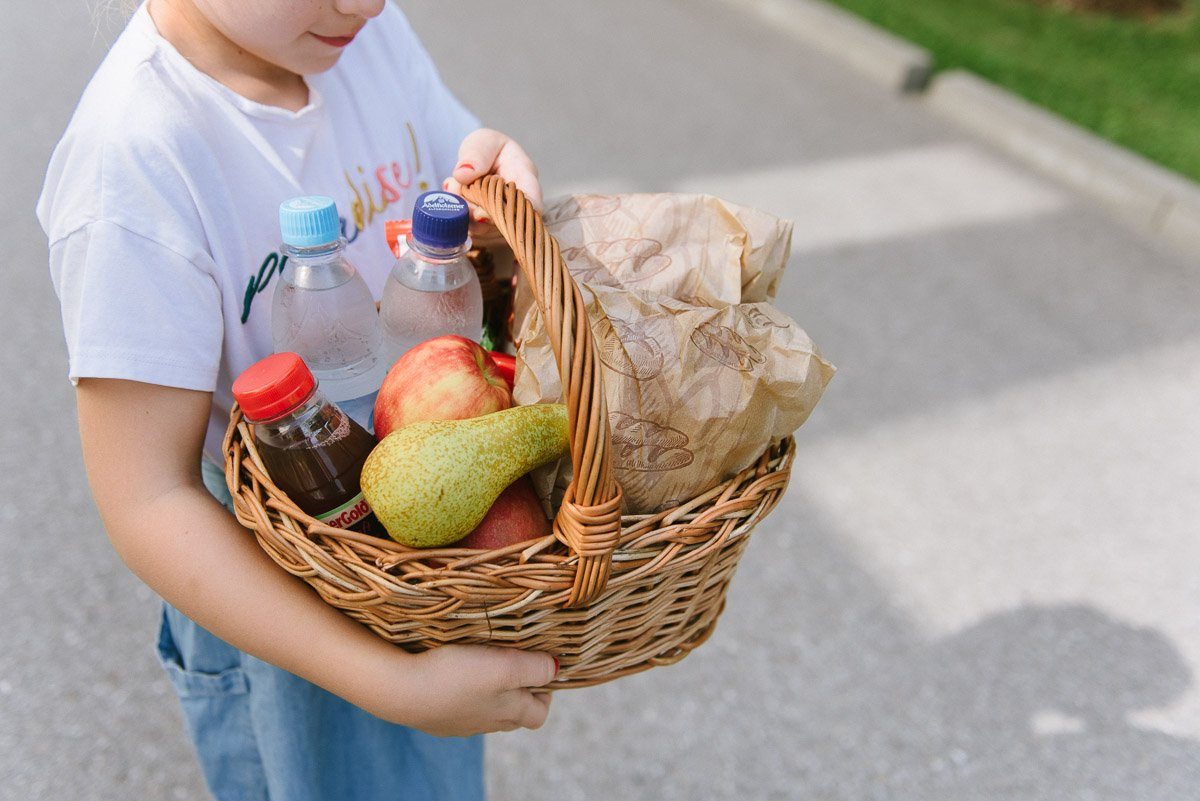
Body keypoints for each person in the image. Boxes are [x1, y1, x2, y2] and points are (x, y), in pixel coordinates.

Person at [36, 1, 556, 799]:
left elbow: (460, 207)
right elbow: (146, 498)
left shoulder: (365, 40)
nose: (367, 3)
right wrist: (388, 684)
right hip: (282, 608)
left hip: (425, 562)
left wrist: (495, 181)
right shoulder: (135, 160)